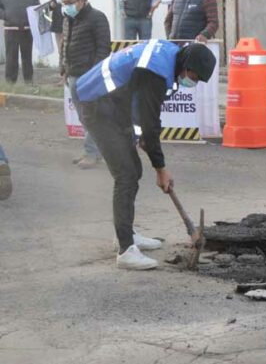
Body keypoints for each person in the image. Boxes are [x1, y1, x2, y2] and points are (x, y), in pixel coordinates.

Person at [76, 40, 216, 270]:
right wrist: (161, 168)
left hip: (112, 106)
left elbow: (144, 116)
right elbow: (150, 124)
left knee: (133, 169)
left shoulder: (169, 56)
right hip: (95, 104)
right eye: (195, 77)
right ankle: (125, 250)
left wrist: (141, 138)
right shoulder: (156, 71)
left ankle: (126, 233)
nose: (194, 82)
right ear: (187, 65)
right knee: (127, 175)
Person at [60, 0, 111, 169]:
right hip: (73, 73)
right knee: (84, 116)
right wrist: (63, 69)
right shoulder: (68, 19)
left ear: (81, 0)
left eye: (70, 3)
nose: (66, 6)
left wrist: (95, 74)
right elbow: (64, 44)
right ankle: (96, 151)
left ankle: (92, 153)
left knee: (91, 116)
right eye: (64, 3)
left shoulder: (97, 17)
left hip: (90, 76)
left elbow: (104, 48)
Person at [0, 0, 40, 84]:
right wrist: (6, 15)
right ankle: (10, 82)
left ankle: (28, 81)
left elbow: (37, 6)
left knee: (27, 57)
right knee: (11, 58)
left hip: (27, 30)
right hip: (10, 30)